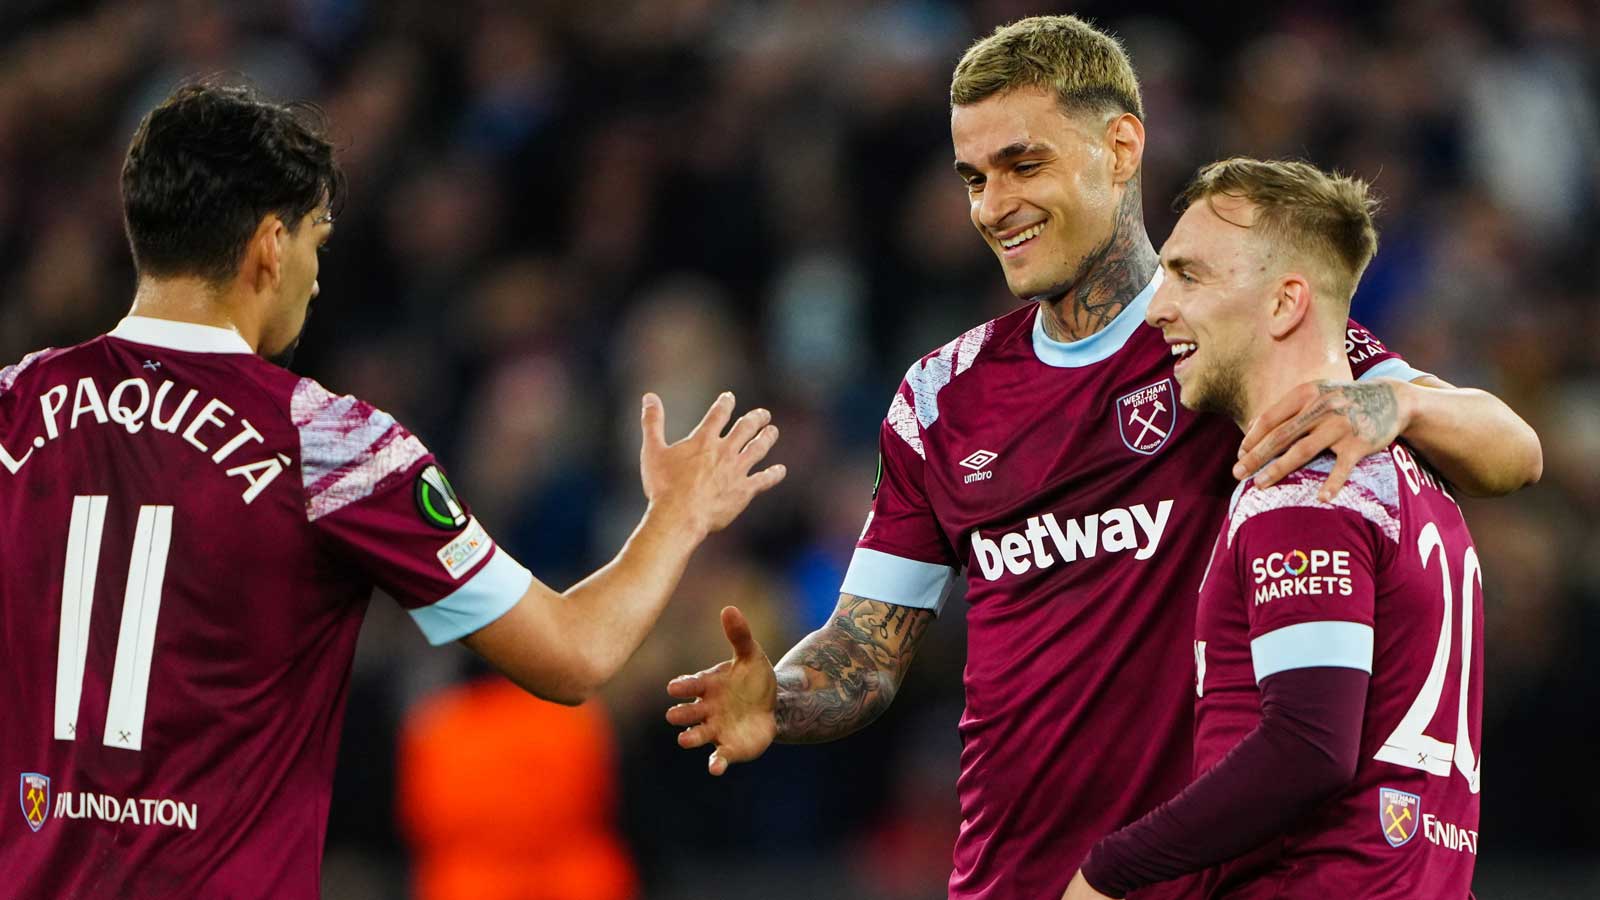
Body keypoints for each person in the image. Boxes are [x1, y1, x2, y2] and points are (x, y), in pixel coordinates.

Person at [665, 16, 1537, 899]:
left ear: (1120, 148)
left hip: (1173, 878)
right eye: (972, 178)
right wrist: (779, 697)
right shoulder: (941, 397)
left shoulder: (1225, 333)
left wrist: (1402, 399)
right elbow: (865, 649)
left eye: (1023, 165)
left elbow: (1513, 453)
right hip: (1007, 880)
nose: (991, 205)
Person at [0, 81, 784, 898]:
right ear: (271, 245)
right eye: (316, 241)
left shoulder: (14, 408)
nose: (312, 278)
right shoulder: (329, 443)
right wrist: (678, 514)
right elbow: (575, 654)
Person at [1063, 157, 1483, 899]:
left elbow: (1307, 748)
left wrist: (1105, 875)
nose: (1158, 307)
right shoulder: (1418, 470)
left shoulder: (1304, 485)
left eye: (1189, 276)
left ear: (1287, 303)